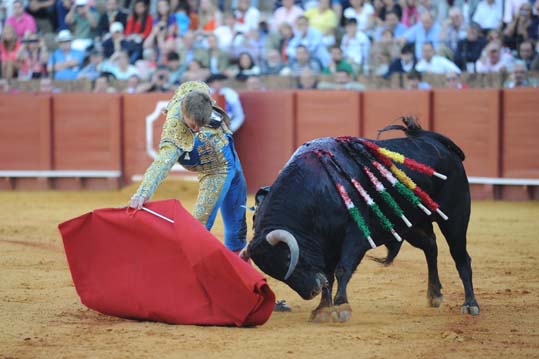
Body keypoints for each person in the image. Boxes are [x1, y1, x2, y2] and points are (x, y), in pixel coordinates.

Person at [129, 81, 248, 256]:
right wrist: (143, 192)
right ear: (184, 114)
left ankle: (241, 265)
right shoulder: (175, 131)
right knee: (198, 227)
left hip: (231, 155)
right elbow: (161, 164)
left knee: (237, 220)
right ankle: (192, 273)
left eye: (202, 123)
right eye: (193, 126)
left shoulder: (197, 90)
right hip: (214, 171)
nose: (198, 129)